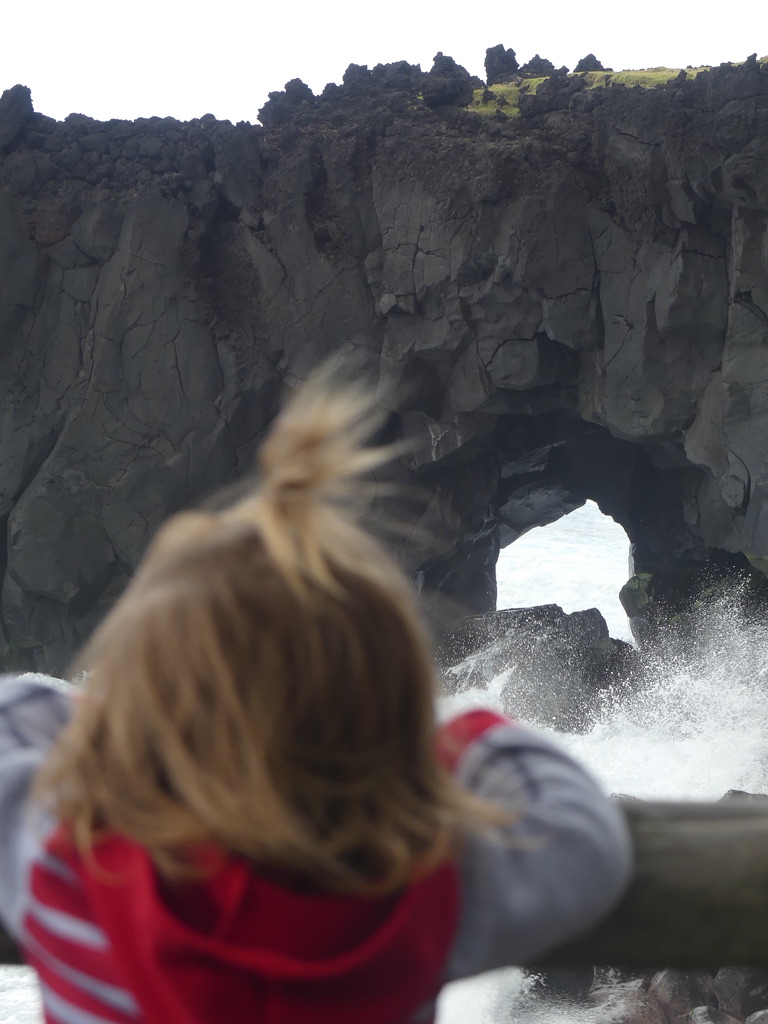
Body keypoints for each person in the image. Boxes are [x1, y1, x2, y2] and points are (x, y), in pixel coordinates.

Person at [0, 378, 632, 1024]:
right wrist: (456, 741)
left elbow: (12, 718)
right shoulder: (415, 888)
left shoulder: (74, 870)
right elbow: (585, 841)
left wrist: (122, 723)